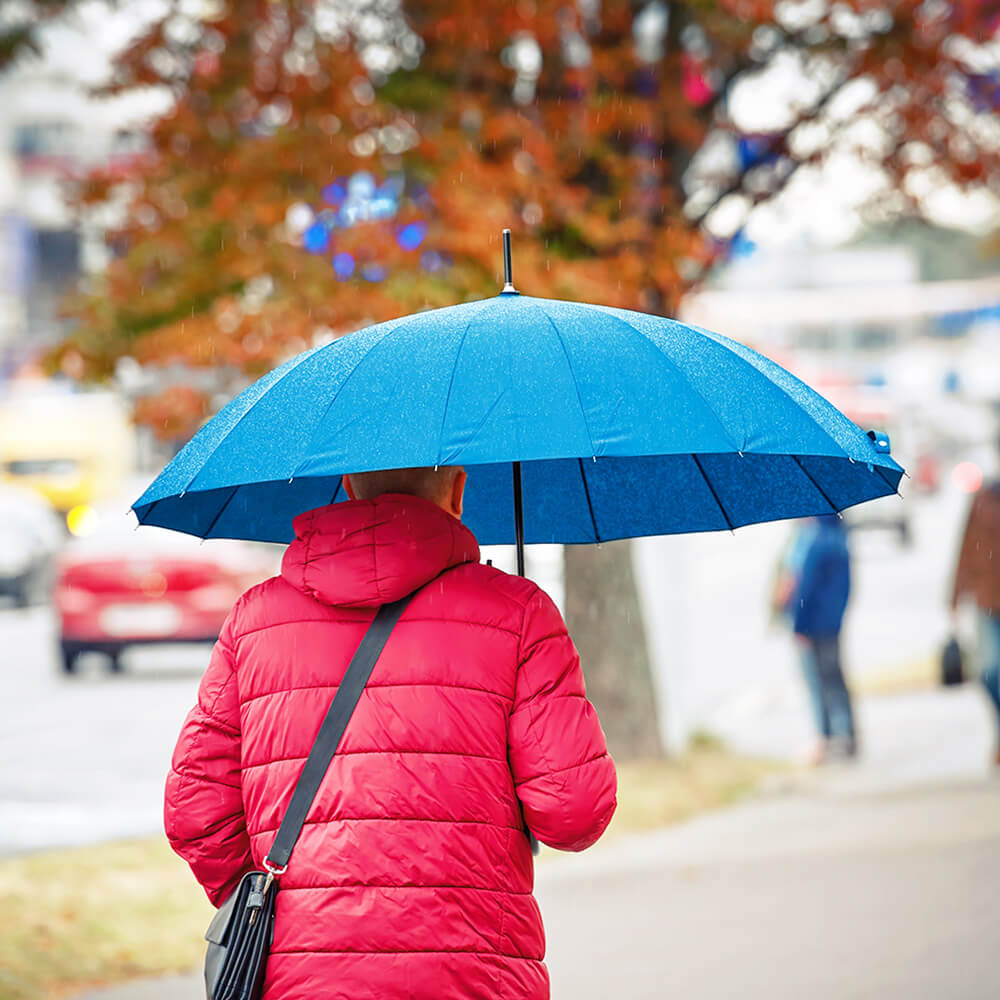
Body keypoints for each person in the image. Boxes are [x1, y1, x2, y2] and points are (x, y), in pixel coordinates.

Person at [164, 465, 617, 999]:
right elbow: (573, 812)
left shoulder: (254, 619)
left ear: (350, 488)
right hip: (476, 973)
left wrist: (282, 899)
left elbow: (193, 808)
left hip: (303, 978)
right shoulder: (519, 612)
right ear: (458, 491)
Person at [775, 515, 856, 763]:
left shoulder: (815, 540)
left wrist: (799, 624)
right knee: (832, 678)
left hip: (814, 624)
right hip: (828, 622)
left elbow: (805, 589)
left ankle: (829, 736)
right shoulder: (835, 537)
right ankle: (841, 734)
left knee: (820, 680)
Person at [951, 471, 1000, 764]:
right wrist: (954, 596)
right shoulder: (983, 498)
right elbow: (966, 546)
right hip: (986, 600)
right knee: (988, 670)